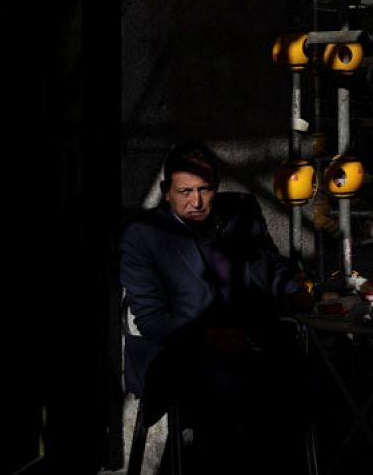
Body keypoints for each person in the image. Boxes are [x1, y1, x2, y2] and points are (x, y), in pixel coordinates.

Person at [120, 142, 315, 471]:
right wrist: (208, 337)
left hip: (251, 336)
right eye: (185, 191)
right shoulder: (144, 236)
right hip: (184, 349)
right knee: (233, 390)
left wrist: (294, 291)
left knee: (302, 373)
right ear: (167, 191)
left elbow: (270, 266)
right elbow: (153, 320)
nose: (195, 201)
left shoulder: (241, 210)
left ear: (217, 187)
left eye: (204, 190)